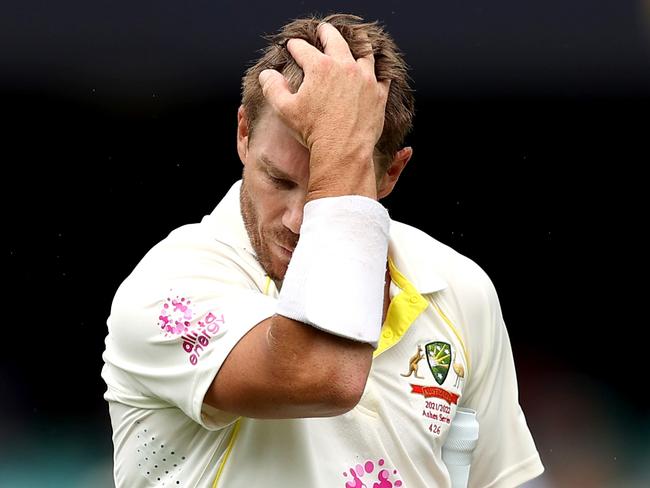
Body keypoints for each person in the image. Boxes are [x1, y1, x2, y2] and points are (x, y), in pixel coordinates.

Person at [101, 13, 544, 488]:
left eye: (323, 191)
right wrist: (340, 153)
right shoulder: (168, 284)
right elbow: (324, 374)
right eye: (279, 180)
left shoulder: (460, 288)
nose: (297, 220)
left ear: (392, 173)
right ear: (243, 133)